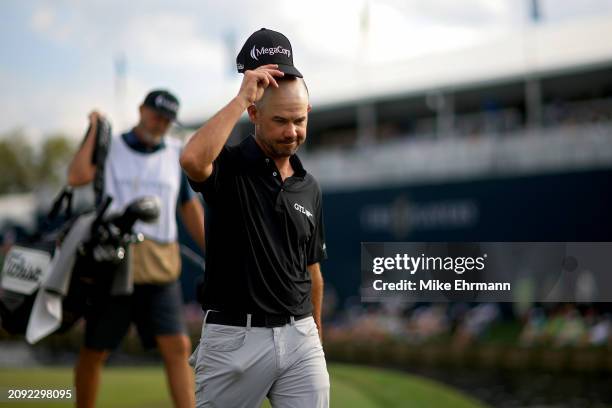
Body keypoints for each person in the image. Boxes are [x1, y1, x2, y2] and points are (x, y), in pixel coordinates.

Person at [180, 28, 329, 408]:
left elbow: (312, 272)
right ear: (254, 114)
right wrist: (240, 96)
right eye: (280, 121)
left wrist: (317, 339)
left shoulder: (308, 185)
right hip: (234, 340)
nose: (292, 132)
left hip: (301, 338)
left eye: (299, 120)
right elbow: (192, 160)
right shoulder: (228, 166)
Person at [67, 89, 205, 408]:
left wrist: (215, 253)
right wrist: (93, 130)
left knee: (178, 346)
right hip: (113, 264)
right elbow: (77, 177)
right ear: (142, 110)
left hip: (160, 268)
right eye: (157, 115)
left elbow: (189, 208)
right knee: (95, 349)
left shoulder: (175, 152)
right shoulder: (111, 147)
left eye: (167, 120)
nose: (160, 124)